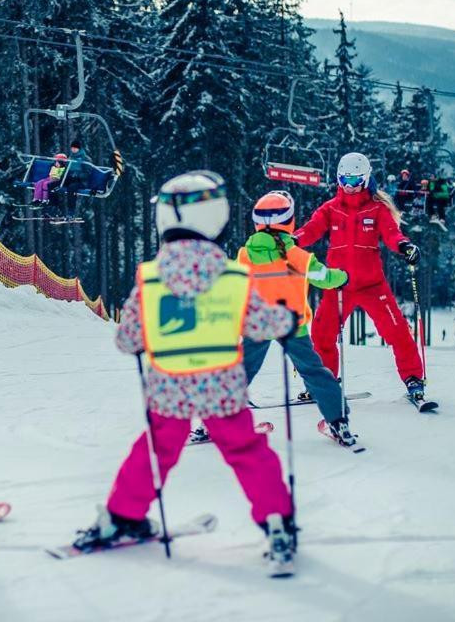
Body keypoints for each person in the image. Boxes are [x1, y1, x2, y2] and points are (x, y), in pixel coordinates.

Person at [72, 171, 299, 573]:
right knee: (246, 451)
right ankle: (277, 521)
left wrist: (142, 339)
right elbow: (263, 325)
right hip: (222, 388)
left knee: (155, 452)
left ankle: (120, 515)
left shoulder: (150, 278)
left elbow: (127, 340)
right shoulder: (233, 277)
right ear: (217, 217)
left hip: (168, 389)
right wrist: (287, 320)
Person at [188, 191, 355, 447]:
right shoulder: (296, 255)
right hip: (292, 325)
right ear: (289, 221)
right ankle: (339, 422)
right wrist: (342, 277)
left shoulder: (245, 255)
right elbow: (324, 277)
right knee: (313, 371)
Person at [293, 152, 428, 402]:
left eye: (355, 181)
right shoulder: (331, 209)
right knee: (322, 334)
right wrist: (295, 240)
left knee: (397, 331)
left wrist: (405, 246)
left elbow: (392, 234)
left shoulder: (377, 209)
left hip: (372, 285)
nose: (349, 187)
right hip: (338, 285)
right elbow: (311, 228)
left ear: (365, 180)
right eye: (345, 181)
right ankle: (324, 383)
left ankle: (413, 379)